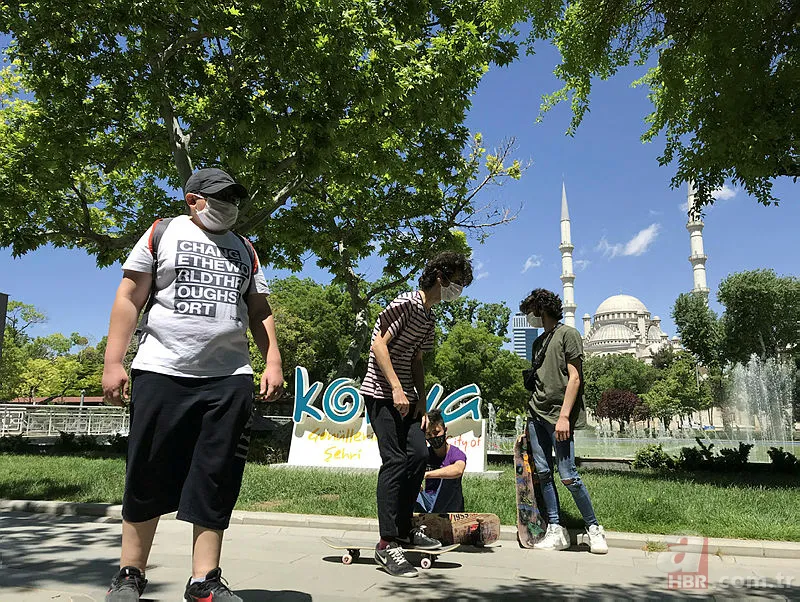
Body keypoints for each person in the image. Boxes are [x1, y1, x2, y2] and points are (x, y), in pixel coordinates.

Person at [101, 168, 284, 602]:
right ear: (192, 199)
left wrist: (273, 358)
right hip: (161, 370)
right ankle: (130, 575)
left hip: (228, 379)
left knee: (216, 478)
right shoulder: (161, 233)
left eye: (234, 199)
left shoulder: (245, 249)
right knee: (146, 471)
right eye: (219, 198)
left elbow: (258, 310)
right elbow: (129, 296)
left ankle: (204, 581)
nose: (229, 207)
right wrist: (113, 360)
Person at [360, 251, 473, 577]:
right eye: (459, 282)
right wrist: (395, 387)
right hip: (381, 394)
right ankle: (387, 543)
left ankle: (406, 527)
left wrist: (421, 401)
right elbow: (379, 345)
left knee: (419, 455)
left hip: (408, 399)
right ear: (442, 277)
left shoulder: (428, 316)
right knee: (395, 461)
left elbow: (417, 360)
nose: (459, 289)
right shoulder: (407, 303)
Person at [519, 288, 608, 554]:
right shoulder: (537, 343)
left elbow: (575, 378)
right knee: (545, 474)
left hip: (559, 416)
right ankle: (556, 530)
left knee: (569, 475)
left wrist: (564, 417)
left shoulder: (568, 334)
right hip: (537, 415)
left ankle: (594, 529)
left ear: (541, 310)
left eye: (531, 313)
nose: (530, 319)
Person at [415, 408, 467, 513]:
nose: (433, 437)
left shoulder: (456, 453)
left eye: (436, 432)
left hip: (450, 505)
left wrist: (425, 475)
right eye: (429, 434)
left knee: (449, 477)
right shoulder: (425, 454)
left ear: (445, 430)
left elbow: (458, 470)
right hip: (429, 501)